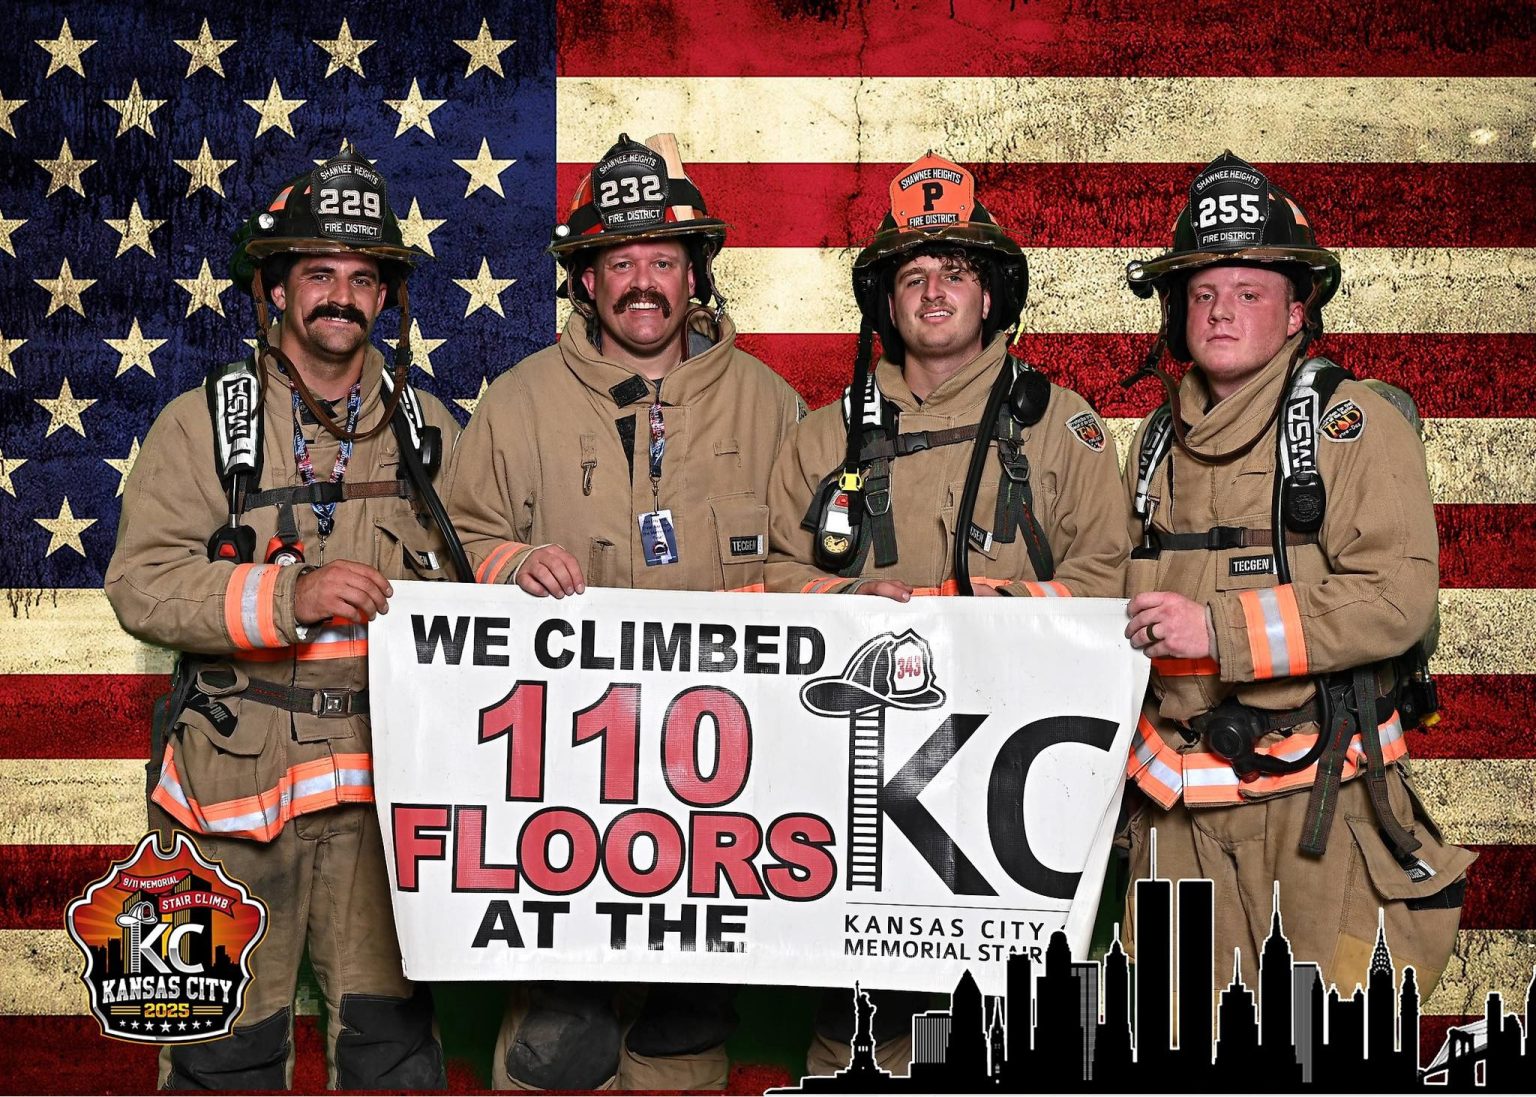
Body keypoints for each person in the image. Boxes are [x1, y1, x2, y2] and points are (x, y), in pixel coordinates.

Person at [445, 133, 804, 1091]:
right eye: (619, 262)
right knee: (559, 1039)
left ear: (697, 277)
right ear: (586, 279)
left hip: (720, 794)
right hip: (561, 784)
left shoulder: (775, 409)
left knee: (684, 1037)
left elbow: (820, 568)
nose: (642, 281)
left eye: (662, 261)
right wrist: (510, 562)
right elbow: (447, 555)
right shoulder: (516, 407)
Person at [764, 153, 1129, 1075]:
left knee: (995, 1035)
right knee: (850, 1029)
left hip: (1010, 789)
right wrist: (847, 603)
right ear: (885, 302)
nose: (933, 292)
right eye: (912, 274)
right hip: (851, 794)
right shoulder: (820, 435)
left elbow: (1112, 581)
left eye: (956, 271)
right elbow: (770, 576)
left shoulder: (1060, 427)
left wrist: (982, 612)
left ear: (992, 291)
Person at [104, 148, 457, 1090]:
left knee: (392, 1055)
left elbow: (484, 567)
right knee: (225, 1058)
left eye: (362, 277)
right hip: (226, 802)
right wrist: (282, 598)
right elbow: (139, 583)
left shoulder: (430, 432)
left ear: (386, 299)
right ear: (273, 289)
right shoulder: (202, 425)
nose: (341, 296)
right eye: (319, 275)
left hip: (385, 810)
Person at [1119, 151, 1474, 1000]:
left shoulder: (1353, 427)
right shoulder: (1152, 445)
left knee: (1323, 1059)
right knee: (1173, 1055)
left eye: (1248, 292)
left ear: (1294, 311)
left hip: (1316, 815)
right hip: (1179, 825)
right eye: (1202, 293)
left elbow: (1397, 598)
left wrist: (1221, 630)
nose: (1221, 311)